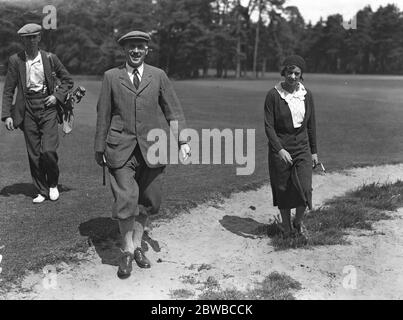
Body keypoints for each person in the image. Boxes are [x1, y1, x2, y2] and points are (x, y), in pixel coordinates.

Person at [94, 30, 190, 279]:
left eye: (140, 46)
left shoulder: (158, 76)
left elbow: (173, 112)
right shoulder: (111, 77)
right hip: (120, 148)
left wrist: (183, 141)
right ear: (124, 50)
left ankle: (137, 246)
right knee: (126, 198)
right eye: (131, 47)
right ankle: (126, 251)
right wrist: (99, 146)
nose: (136, 51)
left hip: (153, 148)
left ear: (147, 50)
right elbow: (103, 114)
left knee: (148, 200)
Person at [1, 23, 74, 203]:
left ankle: (53, 184)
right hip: (27, 109)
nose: (31, 41)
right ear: (22, 40)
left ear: (39, 38)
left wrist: (57, 97)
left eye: (34, 37)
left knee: (48, 150)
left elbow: (67, 80)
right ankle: (41, 190)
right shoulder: (15, 60)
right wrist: (7, 115)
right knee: (34, 153)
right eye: (27, 38)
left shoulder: (50, 58)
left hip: (48, 106)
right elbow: (9, 89)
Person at [264, 55, 319, 243]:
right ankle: (286, 228)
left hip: (302, 148)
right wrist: (279, 150)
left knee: (305, 188)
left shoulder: (307, 95)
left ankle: (298, 222)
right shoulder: (273, 95)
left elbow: (311, 125)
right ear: (284, 73)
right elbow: (269, 126)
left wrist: (314, 152)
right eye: (290, 72)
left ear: (301, 75)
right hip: (280, 149)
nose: (293, 76)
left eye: (297, 73)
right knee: (283, 189)